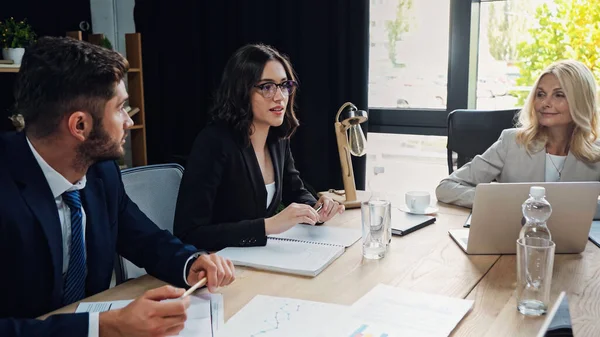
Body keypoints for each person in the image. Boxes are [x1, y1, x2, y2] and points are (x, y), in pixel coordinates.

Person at [0, 37, 235, 337]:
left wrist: (190, 263)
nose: (128, 121)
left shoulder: (102, 172)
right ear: (80, 126)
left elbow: (144, 239)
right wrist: (104, 327)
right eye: (121, 108)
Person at [174, 44, 344, 251]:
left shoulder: (277, 138)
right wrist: (267, 226)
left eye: (284, 85)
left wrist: (317, 207)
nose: (279, 96)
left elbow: (296, 191)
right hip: (220, 264)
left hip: (258, 258)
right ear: (241, 91)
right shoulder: (214, 142)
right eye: (267, 87)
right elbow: (189, 233)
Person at [436, 59, 600, 208]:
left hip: (571, 239)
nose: (545, 103)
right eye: (540, 94)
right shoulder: (512, 142)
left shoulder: (596, 153)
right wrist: (500, 201)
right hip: (514, 236)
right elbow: (446, 188)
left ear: (581, 101)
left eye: (559, 95)